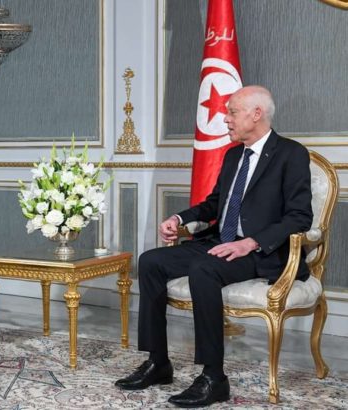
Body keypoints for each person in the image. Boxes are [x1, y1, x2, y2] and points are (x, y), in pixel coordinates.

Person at [114, 86, 313, 407]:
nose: (226, 119)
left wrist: (251, 242)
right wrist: (179, 218)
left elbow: (300, 216)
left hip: (260, 251)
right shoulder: (234, 155)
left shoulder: (291, 154)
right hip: (220, 240)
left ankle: (213, 377)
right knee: (151, 261)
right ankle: (158, 362)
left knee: (203, 269)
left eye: (232, 112)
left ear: (256, 114)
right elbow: (215, 203)